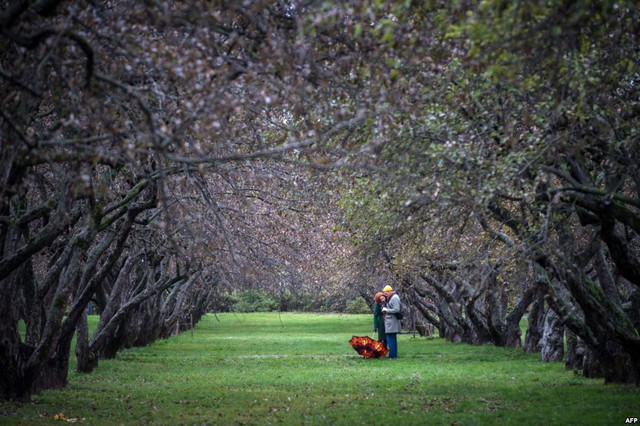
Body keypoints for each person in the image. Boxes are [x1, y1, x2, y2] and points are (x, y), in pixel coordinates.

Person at [381, 284, 401, 359]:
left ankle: (392, 356)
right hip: (390, 322)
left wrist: (386, 310)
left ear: (389, 291)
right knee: (391, 339)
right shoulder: (391, 298)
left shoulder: (394, 298)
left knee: (391, 340)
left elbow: (396, 309)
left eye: (386, 293)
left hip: (392, 322)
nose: (385, 295)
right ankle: (393, 355)